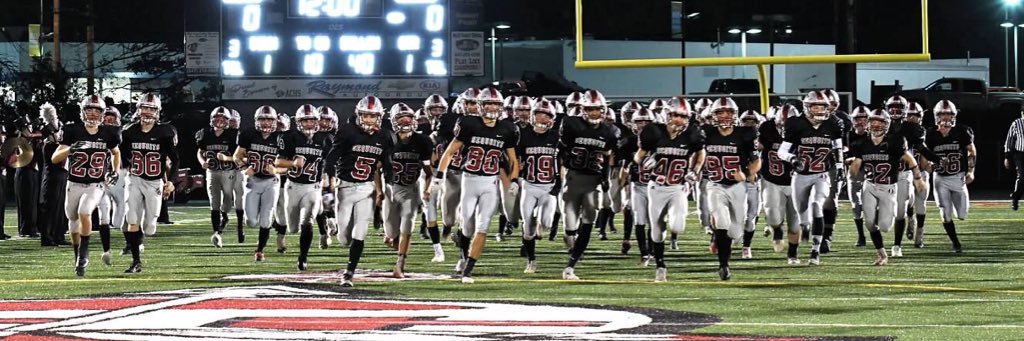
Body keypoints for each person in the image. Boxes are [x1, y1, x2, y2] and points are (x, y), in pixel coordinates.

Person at [437, 87, 519, 284]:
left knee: (483, 226)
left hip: (490, 182)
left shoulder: (507, 129)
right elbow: (449, 152)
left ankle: (468, 270)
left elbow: (513, 160)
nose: (492, 108)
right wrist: (439, 176)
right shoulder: (469, 124)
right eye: (488, 104)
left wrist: (514, 180)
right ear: (481, 106)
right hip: (469, 180)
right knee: (467, 227)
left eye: (496, 104)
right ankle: (463, 255)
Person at [324, 95, 394, 287]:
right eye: (365, 115)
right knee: (344, 239)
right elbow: (331, 157)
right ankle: (334, 227)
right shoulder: (347, 131)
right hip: (345, 187)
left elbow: (387, 164)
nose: (369, 120)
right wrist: (329, 176)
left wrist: (389, 185)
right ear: (358, 115)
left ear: (379, 117)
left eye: (373, 116)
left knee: (360, 231)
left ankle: (349, 273)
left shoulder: (385, 136)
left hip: (367, 188)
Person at [634, 99, 705, 282]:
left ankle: (666, 228)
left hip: (678, 187)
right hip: (656, 187)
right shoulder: (653, 132)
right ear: (667, 115)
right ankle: (660, 265)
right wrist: (645, 161)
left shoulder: (692, 133)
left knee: (677, 226)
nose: (679, 119)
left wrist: (695, 170)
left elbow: (700, 152)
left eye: (683, 116)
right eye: (675, 115)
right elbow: (638, 156)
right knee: (656, 232)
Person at [51, 94, 122, 277]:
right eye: (89, 110)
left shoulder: (109, 133)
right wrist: (71, 149)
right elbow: (55, 158)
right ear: (83, 112)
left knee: (85, 211)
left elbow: (116, 153)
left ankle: (84, 255)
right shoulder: (72, 130)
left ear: (102, 113)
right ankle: (78, 255)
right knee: (73, 223)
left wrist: (115, 171)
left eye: (96, 110)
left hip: (95, 183)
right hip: (74, 183)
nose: (92, 114)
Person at [849, 109, 926, 265]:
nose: (876, 125)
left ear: (887, 124)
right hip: (870, 185)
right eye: (873, 122)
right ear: (868, 123)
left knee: (885, 226)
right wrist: (852, 171)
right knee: (869, 223)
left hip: (888, 187)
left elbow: (910, 160)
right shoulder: (861, 143)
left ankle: (880, 213)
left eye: (880, 122)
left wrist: (918, 178)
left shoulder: (895, 141)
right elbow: (856, 166)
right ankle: (882, 254)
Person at [777, 91, 844, 265]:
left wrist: (839, 166)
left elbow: (838, 147)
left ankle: (815, 251)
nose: (819, 110)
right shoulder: (796, 123)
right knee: (803, 217)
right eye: (815, 106)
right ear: (807, 107)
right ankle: (801, 235)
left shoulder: (833, 123)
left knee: (817, 205)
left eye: (822, 107)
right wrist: (792, 158)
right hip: (801, 175)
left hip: (821, 174)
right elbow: (782, 151)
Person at [559, 90, 617, 281]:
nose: (594, 113)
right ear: (583, 110)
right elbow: (561, 150)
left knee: (588, 222)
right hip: (573, 179)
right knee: (570, 226)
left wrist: (606, 179)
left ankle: (571, 266)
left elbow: (608, 158)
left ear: (603, 110)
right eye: (590, 109)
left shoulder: (609, 132)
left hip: (594, 182)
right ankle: (570, 240)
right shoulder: (572, 125)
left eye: (597, 109)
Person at [119, 93, 178, 273]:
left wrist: (171, 181)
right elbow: (122, 156)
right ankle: (136, 261)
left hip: (154, 182)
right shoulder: (128, 131)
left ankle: (140, 238)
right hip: (134, 179)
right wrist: (121, 170)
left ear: (157, 111)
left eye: (152, 109)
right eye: (145, 107)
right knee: (132, 218)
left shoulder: (164, 132)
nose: (147, 112)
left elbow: (175, 159)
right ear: (138, 109)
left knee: (150, 226)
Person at [703, 98, 758, 280]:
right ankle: (723, 265)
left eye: (729, 112)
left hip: (737, 187)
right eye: (721, 112)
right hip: (715, 184)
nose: (725, 116)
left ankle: (718, 240)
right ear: (714, 115)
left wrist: (747, 173)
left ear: (735, 115)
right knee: (722, 222)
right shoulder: (706, 133)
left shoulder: (745, 134)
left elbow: (756, 161)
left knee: (735, 232)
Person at [277, 104, 333, 271]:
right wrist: (293, 163)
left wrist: (329, 176)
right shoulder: (289, 137)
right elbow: (278, 161)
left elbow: (331, 161)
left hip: (313, 187)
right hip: (293, 186)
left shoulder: (325, 139)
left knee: (307, 222)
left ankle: (303, 258)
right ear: (298, 122)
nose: (309, 124)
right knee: (293, 228)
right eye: (305, 120)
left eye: (312, 120)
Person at [381, 103, 433, 278]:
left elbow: (429, 171)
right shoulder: (387, 140)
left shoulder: (422, 141)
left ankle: (400, 264)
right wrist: (379, 191)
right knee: (391, 232)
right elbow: (376, 169)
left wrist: (427, 189)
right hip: (390, 188)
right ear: (393, 121)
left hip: (411, 188)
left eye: (408, 118)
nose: (405, 122)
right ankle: (391, 237)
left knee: (408, 224)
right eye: (401, 119)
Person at [233, 105, 286, 262]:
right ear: (257, 120)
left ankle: (260, 250)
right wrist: (244, 168)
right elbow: (237, 156)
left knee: (266, 219)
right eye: (262, 119)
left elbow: (289, 165)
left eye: (269, 119)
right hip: (253, 181)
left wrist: (277, 170)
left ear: (275, 121)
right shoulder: (248, 134)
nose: (266, 123)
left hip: (272, 182)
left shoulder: (281, 138)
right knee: (251, 221)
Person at [516, 99, 560, 273]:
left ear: (552, 118)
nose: (542, 118)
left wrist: (560, 183)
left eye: (547, 115)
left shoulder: (556, 137)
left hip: (549, 187)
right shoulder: (523, 135)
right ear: (533, 115)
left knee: (546, 223)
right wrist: (514, 179)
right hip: (529, 186)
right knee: (528, 229)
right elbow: (516, 160)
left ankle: (537, 219)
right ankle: (531, 260)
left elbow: (562, 162)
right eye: (540, 114)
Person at [926, 100, 974, 253]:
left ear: (954, 116)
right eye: (942, 114)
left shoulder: (962, 131)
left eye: (948, 114)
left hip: (958, 177)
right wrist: (927, 166)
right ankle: (955, 243)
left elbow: (971, 151)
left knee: (962, 214)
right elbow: (924, 155)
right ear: (936, 116)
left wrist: (971, 170)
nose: (945, 117)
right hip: (940, 178)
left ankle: (954, 207)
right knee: (945, 213)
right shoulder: (930, 133)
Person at [759, 105, 802, 261]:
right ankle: (777, 229)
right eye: (781, 125)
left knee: (795, 224)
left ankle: (792, 253)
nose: (785, 129)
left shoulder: (803, 132)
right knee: (773, 217)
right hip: (772, 179)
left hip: (796, 182)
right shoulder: (766, 128)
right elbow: (756, 147)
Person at [196, 106, 239, 247]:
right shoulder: (204, 134)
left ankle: (224, 216)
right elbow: (200, 151)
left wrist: (227, 159)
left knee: (227, 200)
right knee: (214, 202)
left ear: (228, 120)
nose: (220, 121)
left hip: (229, 172)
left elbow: (239, 155)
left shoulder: (233, 135)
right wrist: (202, 162)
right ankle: (216, 233)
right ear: (212, 119)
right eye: (217, 118)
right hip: (212, 171)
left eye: (223, 118)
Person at [38, 103, 70, 247]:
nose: (58, 135)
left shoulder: (57, 145)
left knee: (60, 208)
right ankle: (47, 237)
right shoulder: (49, 146)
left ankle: (58, 235)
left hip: (62, 177)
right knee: (50, 208)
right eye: (55, 133)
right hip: (52, 178)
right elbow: (57, 160)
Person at [1004, 104, 1024, 210]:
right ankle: (1015, 198)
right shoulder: (1016, 123)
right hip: (1020, 154)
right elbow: (1009, 140)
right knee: (1022, 176)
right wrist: (1007, 156)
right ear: (1022, 113)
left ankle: (1015, 196)